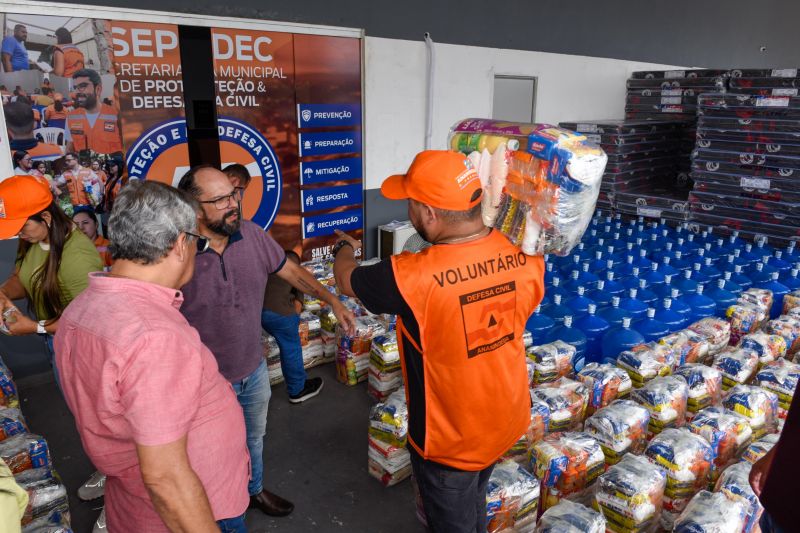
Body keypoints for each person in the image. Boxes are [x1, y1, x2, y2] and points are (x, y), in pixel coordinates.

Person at [331, 150, 545, 532]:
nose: (410, 213)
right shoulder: (526, 256)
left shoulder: (410, 277)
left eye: (411, 205)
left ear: (429, 214)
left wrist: (343, 249)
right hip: (506, 416)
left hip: (451, 440)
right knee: (476, 497)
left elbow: (346, 280)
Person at [54, 180, 251, 532]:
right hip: (193, 512)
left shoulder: (80, 310)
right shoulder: (153, 336)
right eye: (197, 242)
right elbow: (165, 478)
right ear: (180, 244)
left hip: (133, 503)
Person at [177, 165, 357, 517]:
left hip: (253, 370)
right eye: (221, 200)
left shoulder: (252, 236)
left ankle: (253, 490)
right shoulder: (178, 252)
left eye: (233, 194)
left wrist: (332, 299)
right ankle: (220, 513)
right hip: (205, 384)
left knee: (253, 440)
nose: (233, 204)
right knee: (209, 456)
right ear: (195, 208)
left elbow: (292, 272)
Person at [223, 163, 324, 403]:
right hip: (279, 313)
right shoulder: (256, 239)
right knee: (291, 347)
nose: (236, 198)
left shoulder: (254, 241)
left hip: (258, 311)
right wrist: (301, 303)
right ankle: (297, 389)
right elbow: (298, 283)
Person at [0, 175, 103, 385]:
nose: (19, 234)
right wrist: (3, 293)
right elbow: (23, 277)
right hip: (54, 338)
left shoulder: (78, 256)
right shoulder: (33, 238)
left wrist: (35, 327)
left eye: (22, 226)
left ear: (46, 216)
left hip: (78, 347)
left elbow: (88, 321)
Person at [65, 68, 123, 155]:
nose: (77, 92)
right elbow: (69, 149)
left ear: (98, 89)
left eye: (82, 86)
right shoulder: (71, 117)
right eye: (75, 88)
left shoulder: (117, 116)